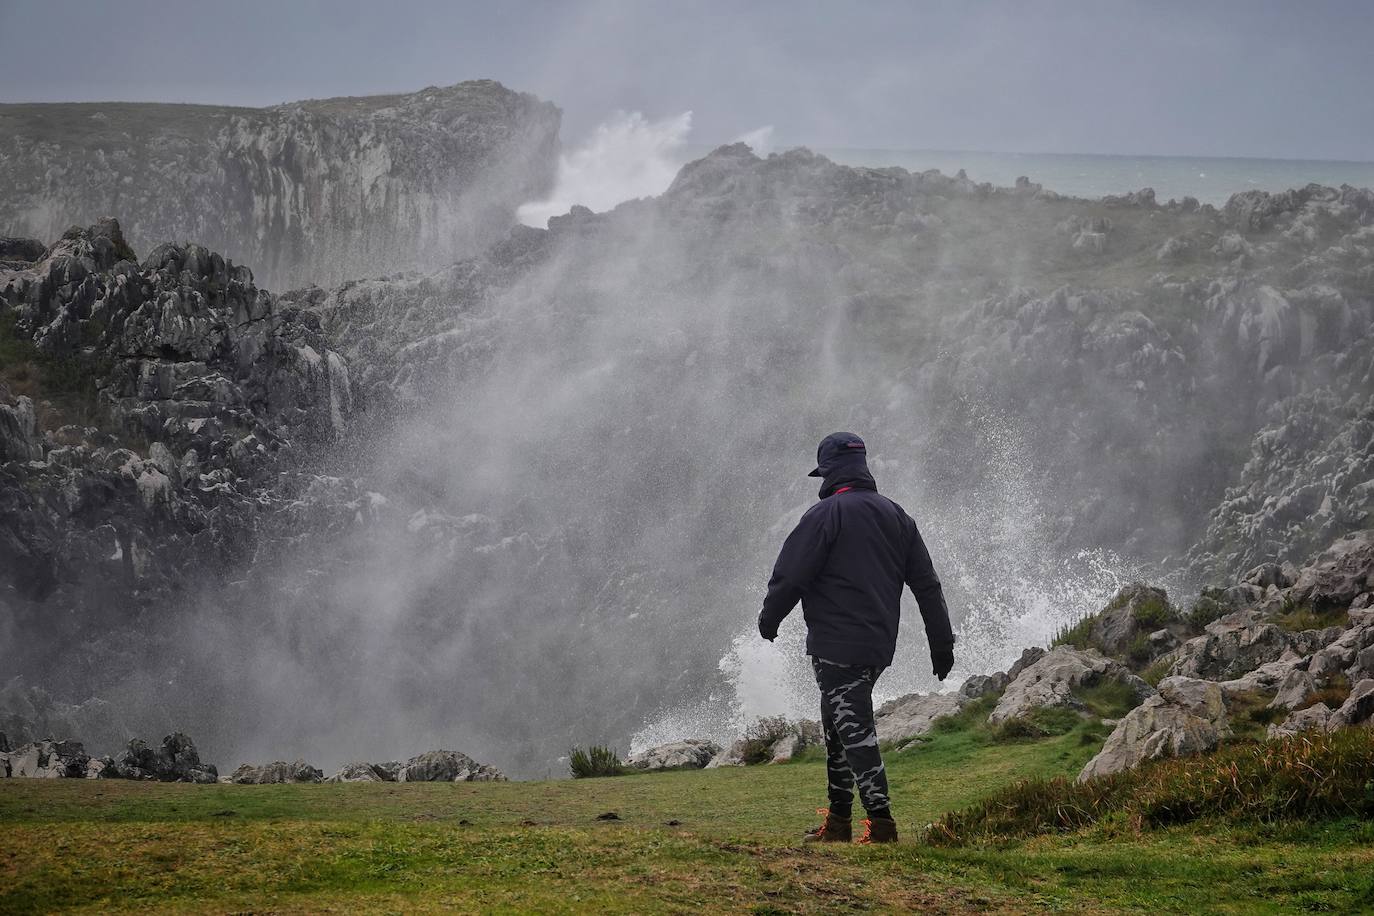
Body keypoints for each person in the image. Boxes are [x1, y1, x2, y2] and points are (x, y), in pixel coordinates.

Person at [758, 432, 955, 845]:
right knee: (836, 725)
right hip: (878, 646)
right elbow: (927, 585)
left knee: (853, 730)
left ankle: (882, 826)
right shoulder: (898, 516)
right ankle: (839, 823)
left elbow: (791, 575)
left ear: (827, 471)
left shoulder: (826, 515)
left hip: (836, 644)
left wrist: (769, 617)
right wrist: (942, 643)